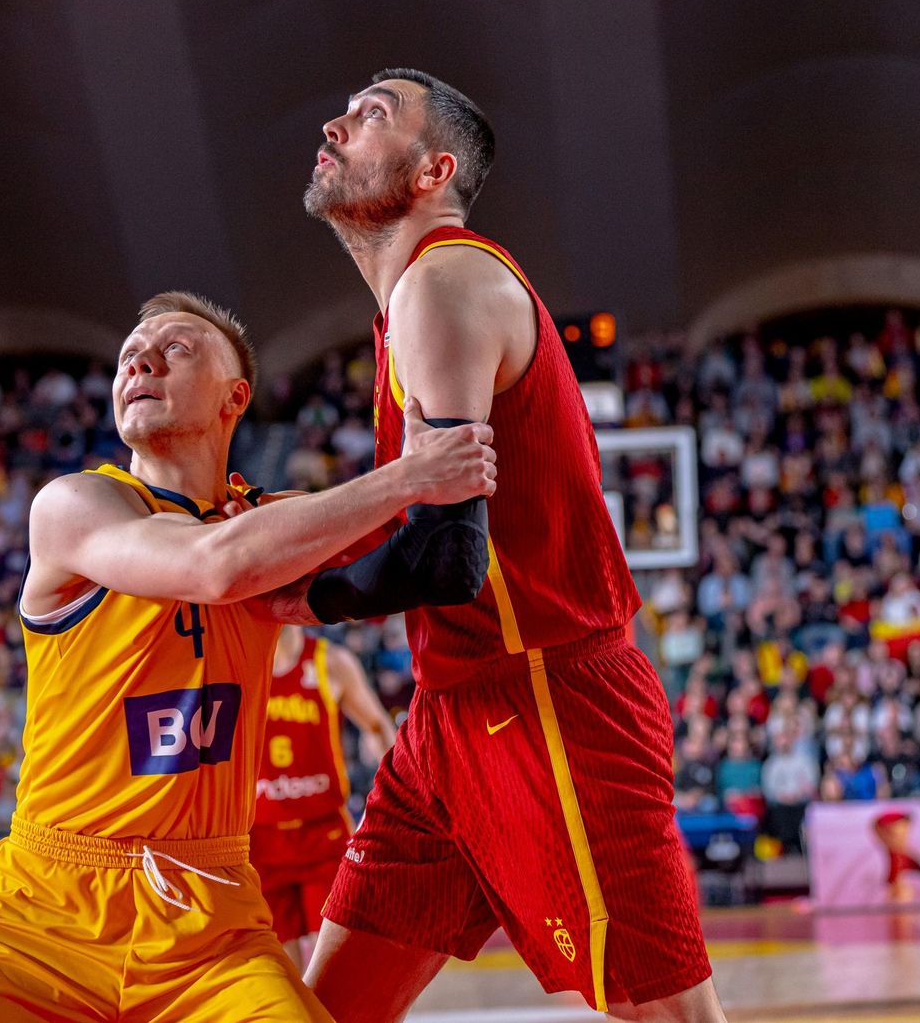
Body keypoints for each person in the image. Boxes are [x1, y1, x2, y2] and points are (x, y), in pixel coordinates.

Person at [0, 291, 496, 1022]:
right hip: (39, 916)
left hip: (211, 923)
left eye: (175, 349)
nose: (140, 361)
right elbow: (216, 567)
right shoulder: (73, 505)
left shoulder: (273, 522)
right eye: (129, 356)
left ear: (234, 396)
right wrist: (409, 475)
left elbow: (435, 554)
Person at [295, 69, 723, 1020]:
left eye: (371, 115)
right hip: (451, 710)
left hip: (547, 697)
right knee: (328, 1010)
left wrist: (302, 596)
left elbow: (451, 556)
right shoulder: (407, 303)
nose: (335, 120)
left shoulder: (444, 283)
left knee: (664, 1014)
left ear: (431, 171)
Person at [252, 625, 395, 968]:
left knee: (332, 968)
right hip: (259, 839)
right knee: (279, 973)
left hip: (322, 834)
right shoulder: (241, 665)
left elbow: (377, 727)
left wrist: (397, 798)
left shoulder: (329, 661)